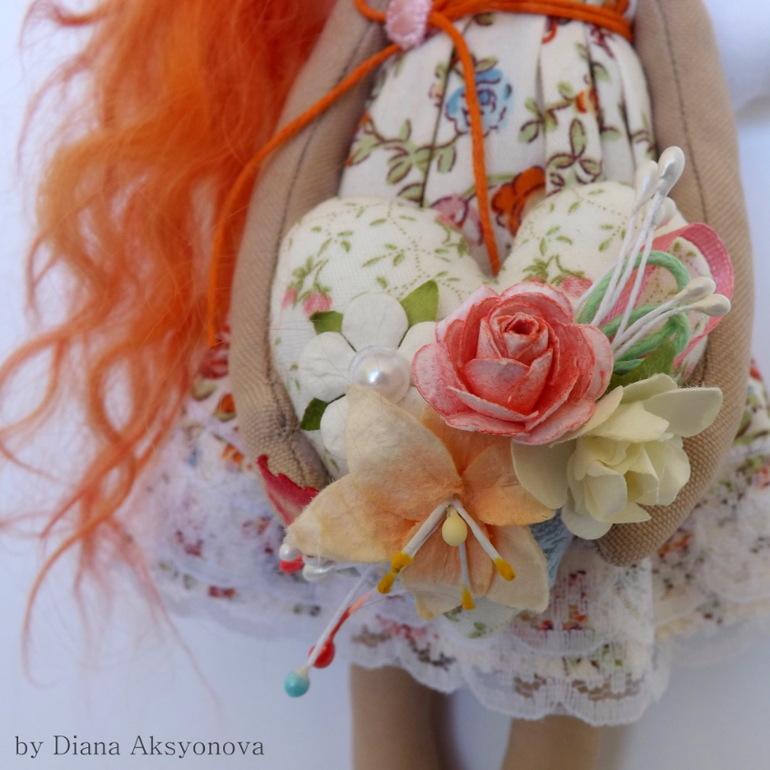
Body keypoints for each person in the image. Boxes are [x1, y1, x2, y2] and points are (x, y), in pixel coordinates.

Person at [4, 2, 768, 769]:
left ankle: (552, 744)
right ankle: (390, 737)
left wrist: (700, 437)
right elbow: (297, 162)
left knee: (589, 480)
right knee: (373, 469)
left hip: (597, 279)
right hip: (382, 288)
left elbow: (707, 173)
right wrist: (269, 408)